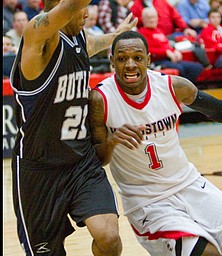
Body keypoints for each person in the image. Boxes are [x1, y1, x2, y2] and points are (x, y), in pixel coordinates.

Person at [89, 30, 222, 256]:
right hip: (147, 200)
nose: (130, 65)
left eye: (138, 58)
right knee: (207, 254)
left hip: (188, 184)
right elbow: (98, 159)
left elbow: (219, 110)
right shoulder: (101, 99)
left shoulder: (174, 86)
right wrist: (112, 141)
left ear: (149, 60)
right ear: (112, 61)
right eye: (122, 59)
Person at [9, 0, 137, 254]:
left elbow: (91, 43)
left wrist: (116, 35)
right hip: (40, 170)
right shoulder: (39, 36)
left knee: (109, 238)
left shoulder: (77, 37)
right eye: (81, 9)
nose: (88, 13)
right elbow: (70, 6)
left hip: (81, 163)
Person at [139, 7, 209, 83]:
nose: (152, 20)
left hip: (170, 60)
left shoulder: (159, 31)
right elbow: (147, 51)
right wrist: (166, 52)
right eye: (149, 18)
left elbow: (167, 46)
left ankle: (187, 88)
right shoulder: (142, 33)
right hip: (157, 62)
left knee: (197, 67)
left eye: (153, 17)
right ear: (143, 19)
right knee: (179, 69)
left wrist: (174, 51)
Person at [130, 0, 197, 40]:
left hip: (171, 35)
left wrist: (185, 28)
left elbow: (176, 16)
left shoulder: (162, 1)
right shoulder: (135, 6)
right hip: (153, 39)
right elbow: (136, 25)